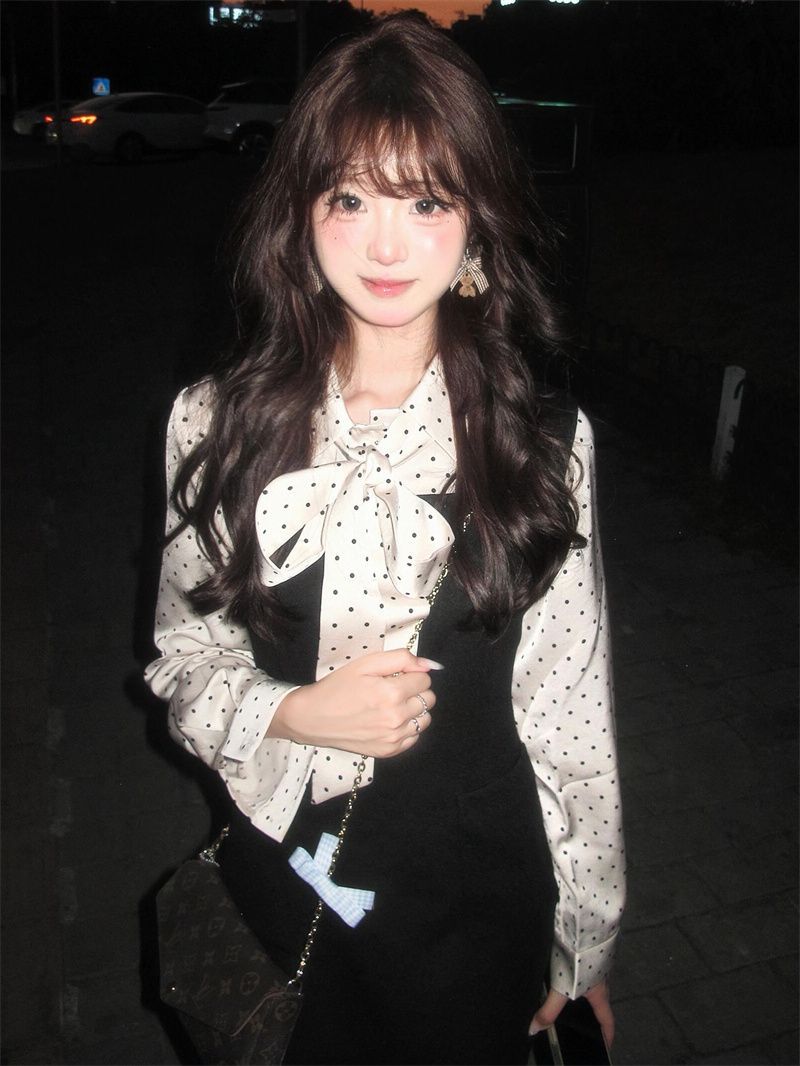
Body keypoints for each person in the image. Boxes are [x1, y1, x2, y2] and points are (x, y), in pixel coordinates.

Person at [145, 14, 624, 1066]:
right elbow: (183, 657)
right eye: (351, 198)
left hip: (474, 906)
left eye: (427, 201)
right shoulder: (215, 423)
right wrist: (292, 711)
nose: (386, 245)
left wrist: (582, 933)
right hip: (284, 894)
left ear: (476, 221)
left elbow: (569, 717)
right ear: (302, 212)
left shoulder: (544, 444)